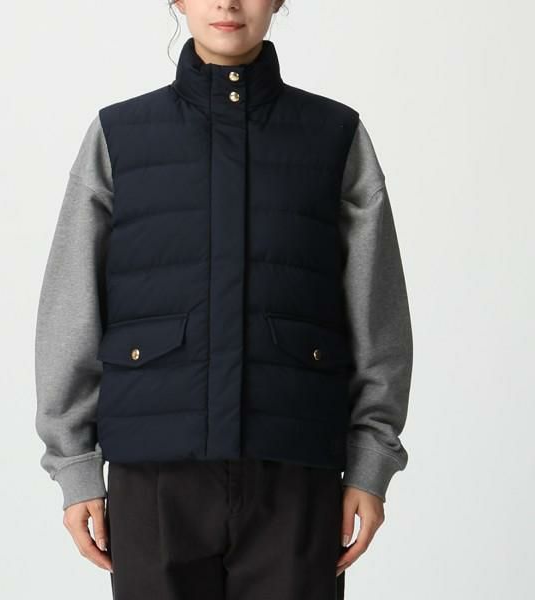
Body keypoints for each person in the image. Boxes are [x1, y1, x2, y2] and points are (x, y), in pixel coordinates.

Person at [34, 1, 413, 598]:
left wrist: (370, 463)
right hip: (153, 477)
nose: (227, 3)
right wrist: (75, 466)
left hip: (295, 473)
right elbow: (71, 305)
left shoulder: (335, 136)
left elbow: (378, 315)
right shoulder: (119, 136)